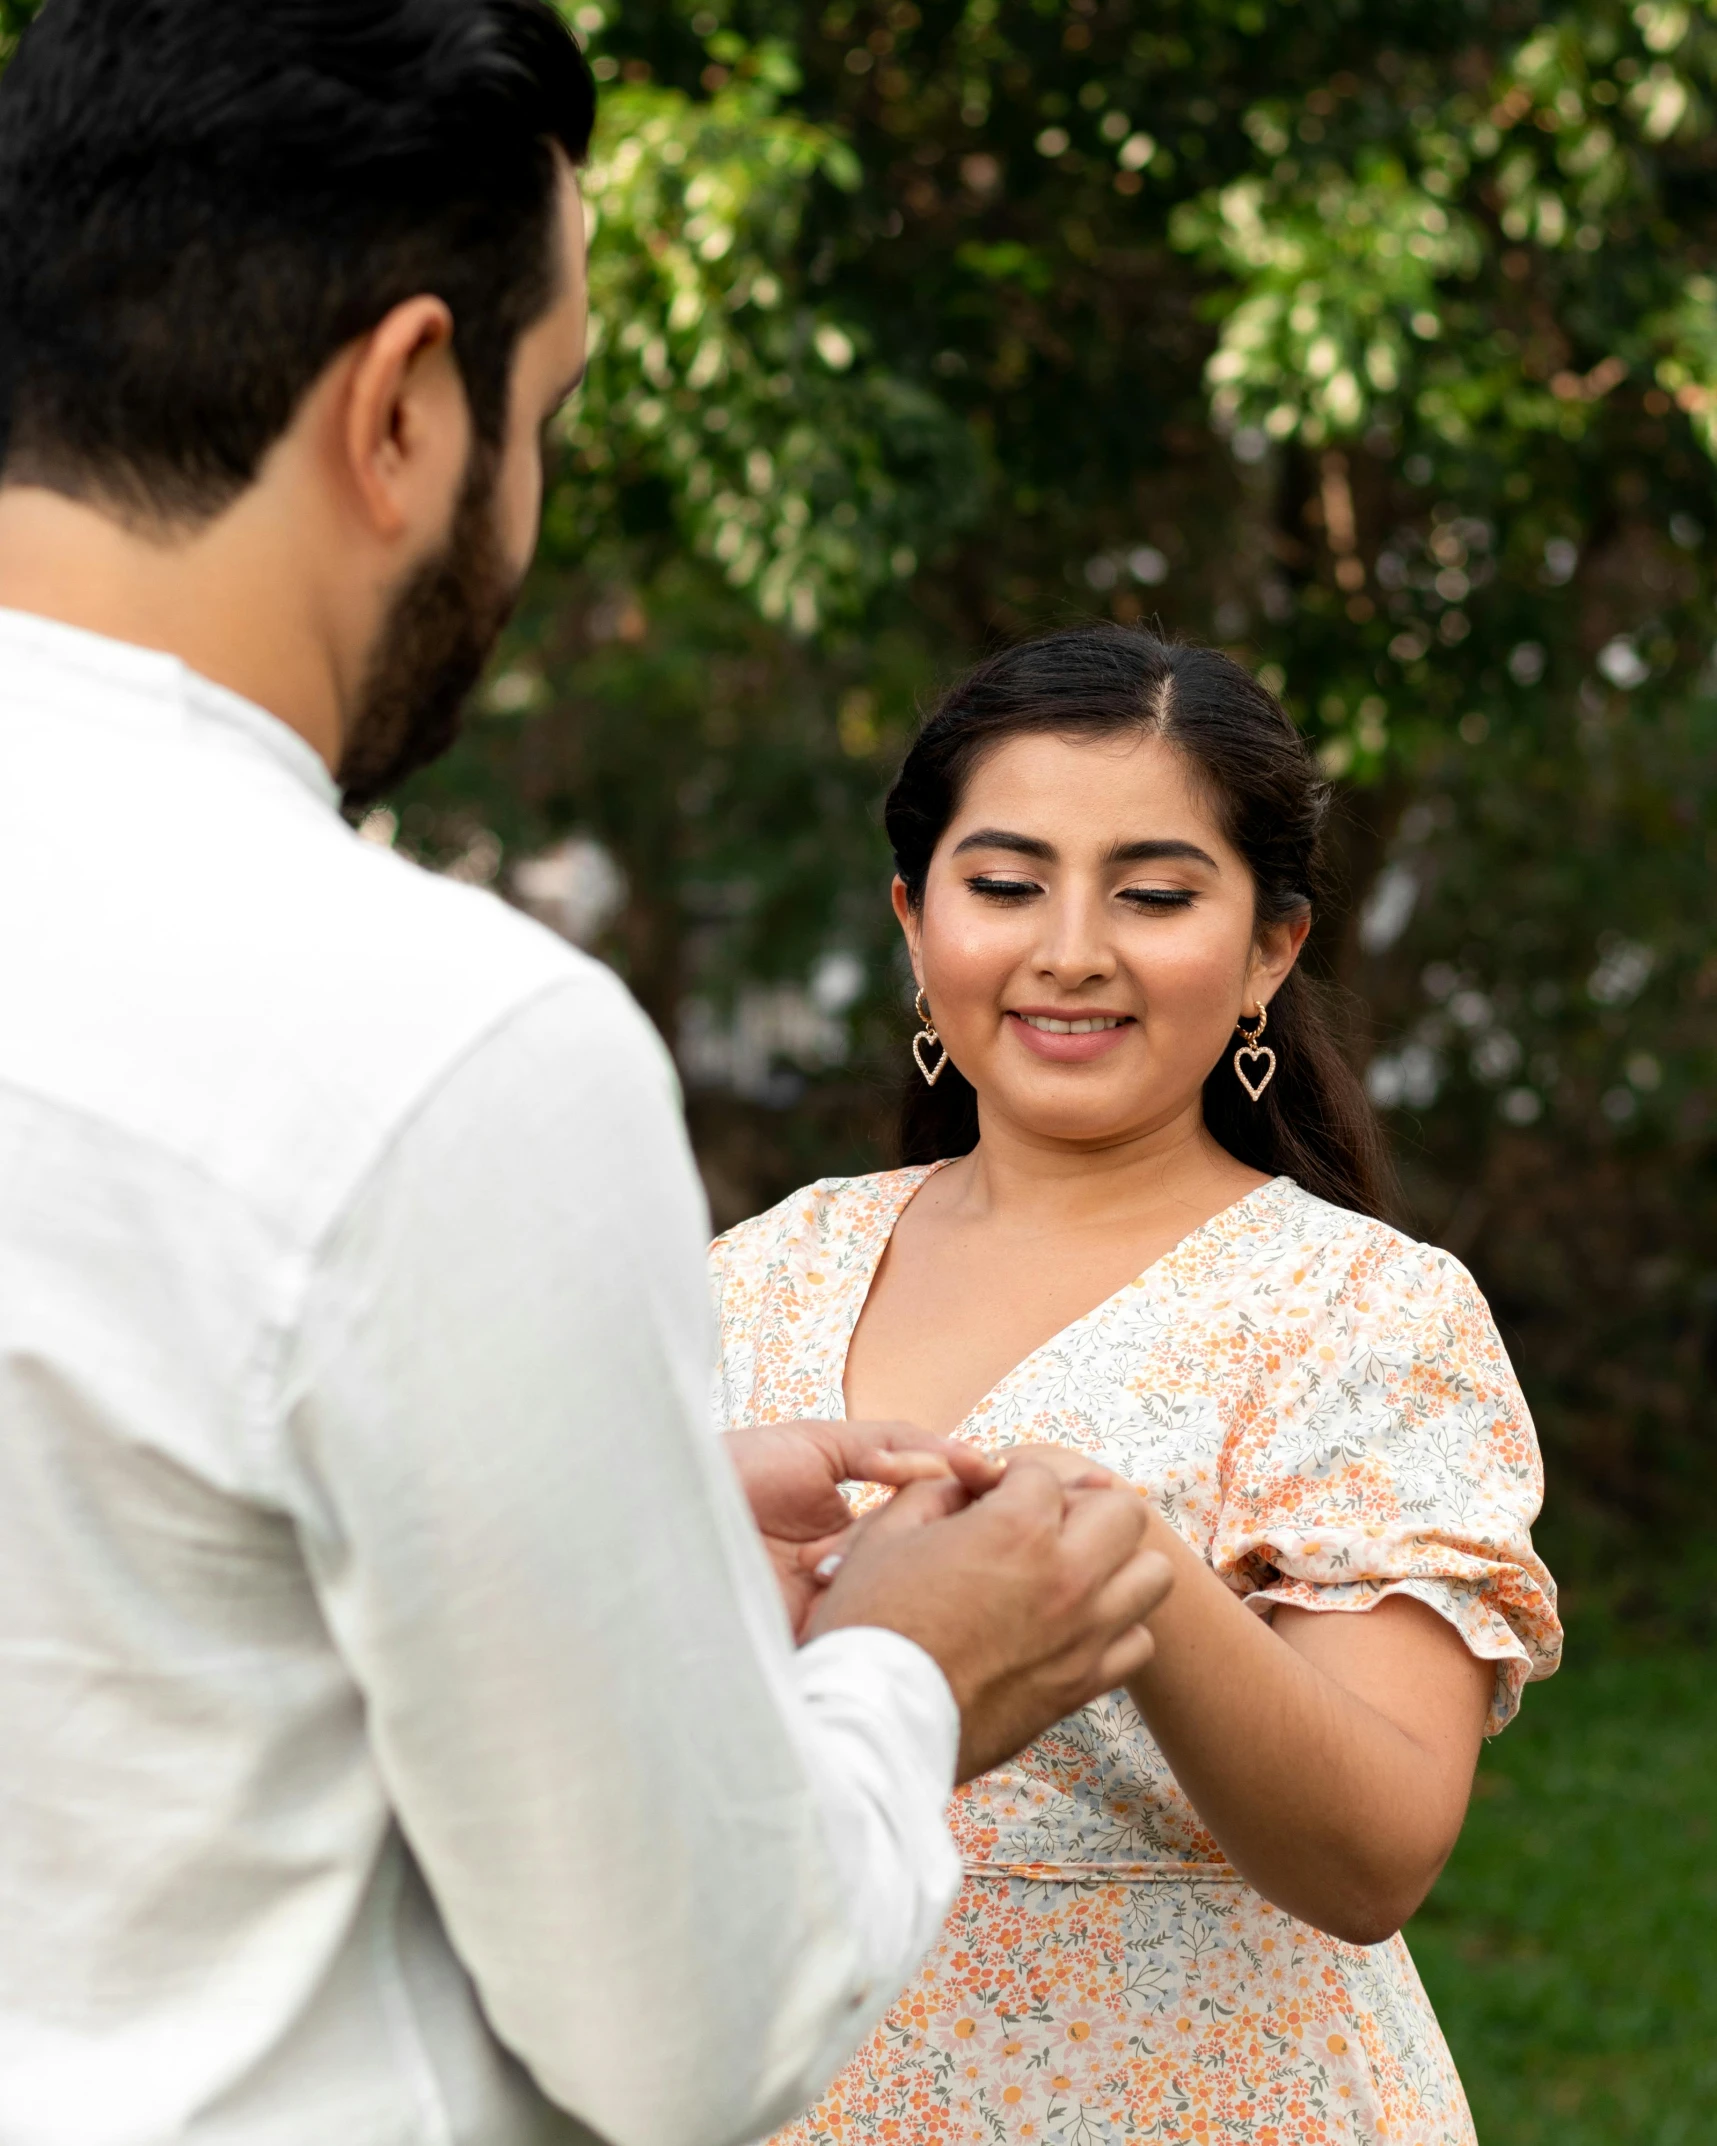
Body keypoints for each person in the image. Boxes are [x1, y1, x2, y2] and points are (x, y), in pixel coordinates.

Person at [0, 11, 1175, 2146]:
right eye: (540, 418)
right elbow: (688, 2025)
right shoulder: (429, 1044)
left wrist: (605, 1542)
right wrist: (911, 1669)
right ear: (403, 405)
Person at [710, 626, 1564, 2146]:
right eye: (1005, 882)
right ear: (916, 918)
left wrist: (1124, 1564)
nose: (1072, 947)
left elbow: (1375, 1853)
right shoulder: (754, 1274)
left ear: (1270, 950)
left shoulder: (1365, 1311)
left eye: (1155, 894)